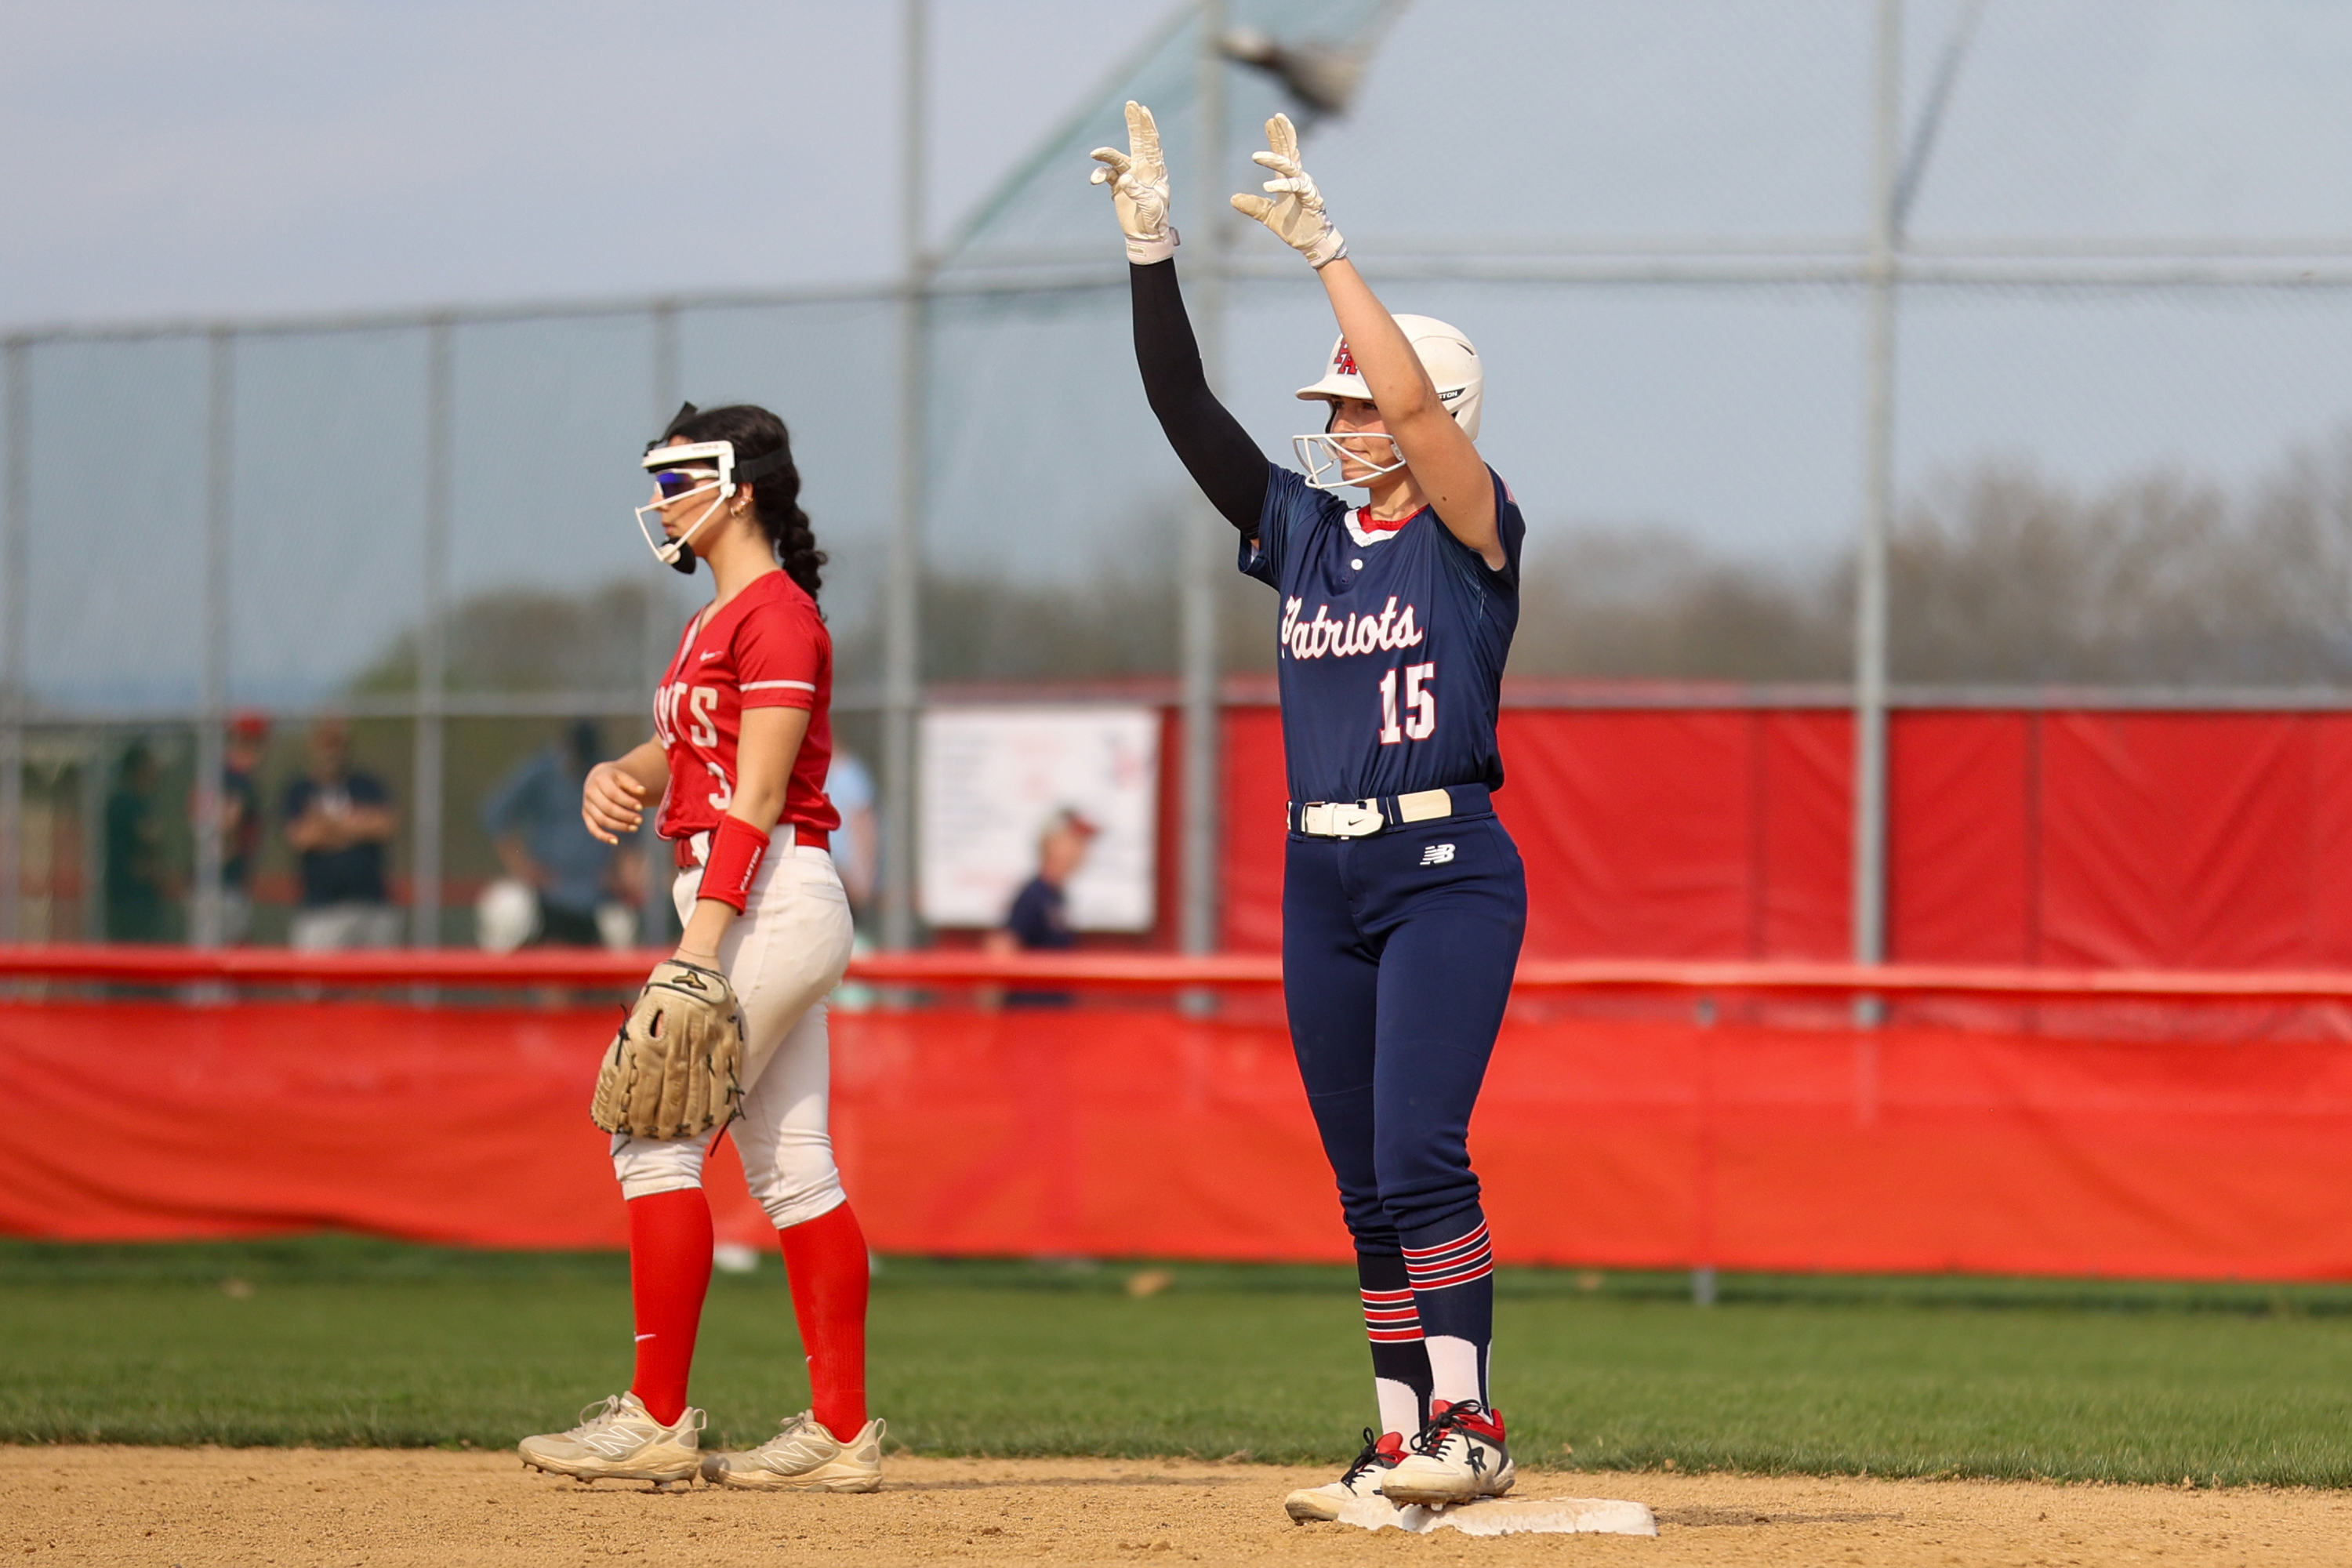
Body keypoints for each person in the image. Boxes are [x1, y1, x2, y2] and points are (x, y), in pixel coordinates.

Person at [1092, 107, 1529, 1519]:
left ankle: (1470, 1420)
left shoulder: (1474, 532)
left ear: (1434, 417)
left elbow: (1410, 411)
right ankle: (1401, 1433)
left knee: (1419, 1151)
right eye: (1333, 414)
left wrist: (1333, 253)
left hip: (1445, 871)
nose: (1339, 431)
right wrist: (1153, 252)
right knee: (1360, 1181)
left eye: (1354, 408)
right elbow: (1183, 413)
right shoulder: (1308, 538)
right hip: (1319, 881)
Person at [516, 402, 873, 1493]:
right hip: (752, 895)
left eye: (679, 479)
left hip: (762, 896)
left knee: (653, 1139)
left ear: (741, 487)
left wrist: (703, 941)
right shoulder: (718, 620)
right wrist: (627, 767)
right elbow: (698, 743)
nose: (662, 500)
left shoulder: (777, 617)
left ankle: (657, 1416)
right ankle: (841, 1434)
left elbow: (760, 790)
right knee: (792, 1171)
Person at [478, 720, 639, 949]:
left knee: (614, 953)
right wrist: (521, 866)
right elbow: (497, 815)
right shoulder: (542, 772)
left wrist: (622, 868)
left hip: (599, 898)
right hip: (548, 897)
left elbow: (632, 829)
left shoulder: (607, 773)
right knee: (550, 959)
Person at [281, 718, 400, 950]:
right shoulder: (298, 790)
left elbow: (384, 826)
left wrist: (326, 824)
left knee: (372, 983)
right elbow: (301, 838)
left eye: (336, 744)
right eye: (324, 744)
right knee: (316, 983)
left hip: (371, 905)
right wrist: (356, 826)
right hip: (320, 908)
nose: (330, 752)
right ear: (312, 747)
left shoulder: (367, 786)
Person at [982, 807, 1097, 1007]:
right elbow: (1000, 950)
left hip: (1050, 1022)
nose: (1082, 852)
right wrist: (990, 1022)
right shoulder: (1033, 894)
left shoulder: (1057, 896)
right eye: (1076, 842)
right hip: (1028, 1023)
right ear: (1052, 844)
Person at [103, 739, 177, 942]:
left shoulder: (143, 802)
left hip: (143, 901)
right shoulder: (124, 802)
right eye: (148, 766)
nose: (154, 773)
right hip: (128, 901)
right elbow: (149, 836)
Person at [216, 713, 269, 944]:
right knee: (222, 964)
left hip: (223, 886)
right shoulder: (234, 779)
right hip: (223, 887)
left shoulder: (220, 774)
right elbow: (224, 824)